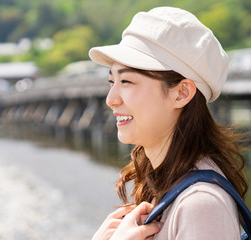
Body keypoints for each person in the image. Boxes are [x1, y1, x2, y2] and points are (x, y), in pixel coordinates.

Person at [88, 6, 249, 240]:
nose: (111, 99)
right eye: (112, 81)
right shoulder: (162, 185)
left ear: (182, 93)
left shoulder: (201, 205)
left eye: (127, 81)